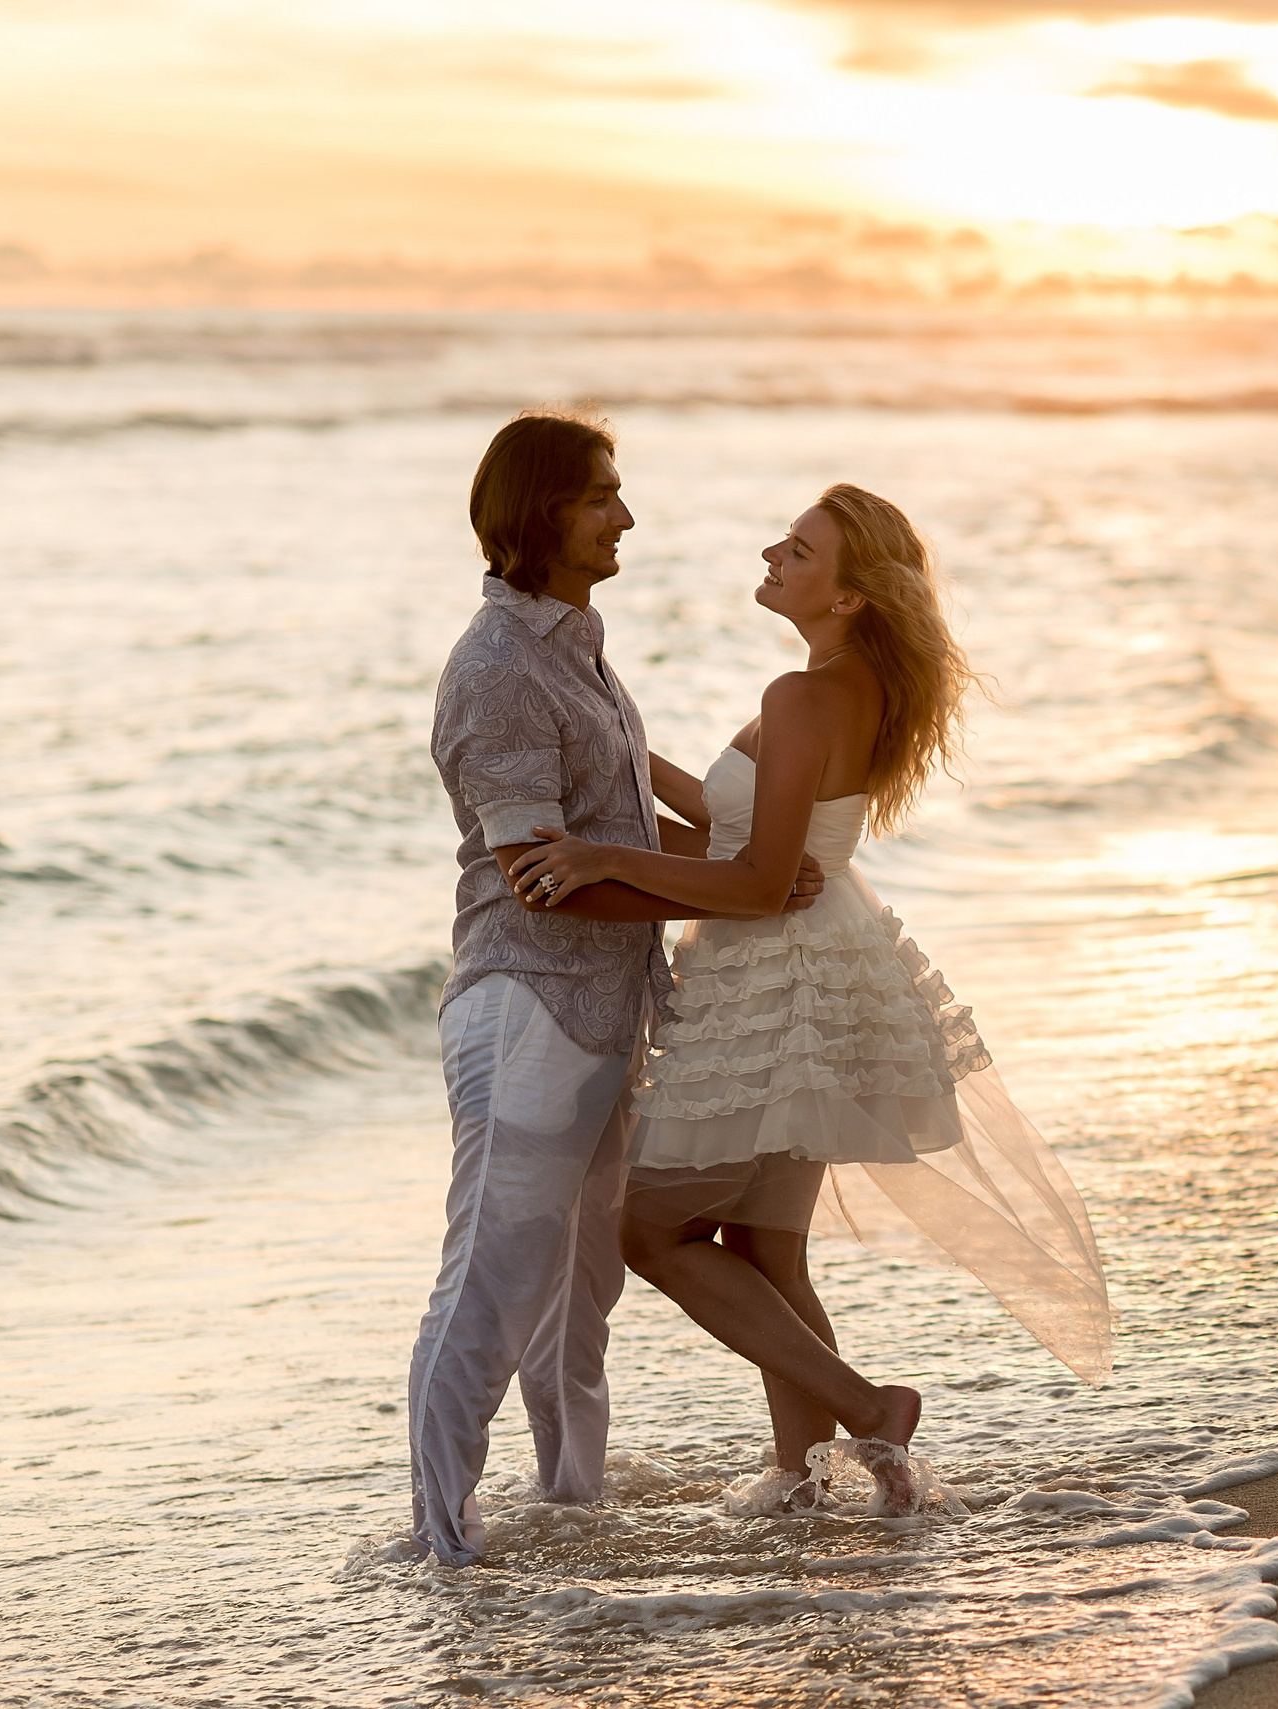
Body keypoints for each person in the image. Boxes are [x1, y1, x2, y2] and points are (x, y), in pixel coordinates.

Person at [506, 483, 1112, 1511]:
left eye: (799, 550)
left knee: (645, 1230)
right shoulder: (851, 686)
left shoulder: (801, 695)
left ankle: (870, 1409)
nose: (773, 554)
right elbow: (737, 838)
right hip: (818, 962)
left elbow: (748, 880)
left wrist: (593, 850)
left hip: (782, 981)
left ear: (848, 597)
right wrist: (608, 735)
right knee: (764, 1248)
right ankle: (807, 1479)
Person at [411, 411, 824, 1566]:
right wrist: (732, 888)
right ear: (541, 513)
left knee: (580, 1296)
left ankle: (571, 1510)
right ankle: (443, 1543)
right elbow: (540, 875)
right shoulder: (495, 669)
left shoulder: (572, 640)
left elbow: (624, 799)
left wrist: (742, 851)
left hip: (608, 1010)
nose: (626, 516)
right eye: (603, 495)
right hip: (527, 1003)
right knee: (490, 1282)